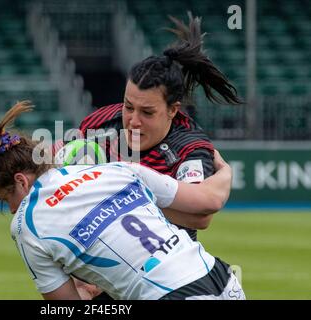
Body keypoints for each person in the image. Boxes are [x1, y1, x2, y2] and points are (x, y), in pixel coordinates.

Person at [0, 102, 245, 300]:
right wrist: (225, 171)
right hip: (223, 281)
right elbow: (204, 203)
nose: (9, 207)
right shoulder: (118, 169)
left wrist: (88, 291)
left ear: (22, 180)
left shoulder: (26, 223)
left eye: (7, 197)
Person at [67, 13, 243, 242]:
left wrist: (115, 197)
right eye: (128, 106)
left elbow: (200, 217)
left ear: (173, 109)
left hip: (165, 264)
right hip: (103, 258)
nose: (133, 120)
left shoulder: (190, 148)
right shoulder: (100, 122)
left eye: (147, 112)